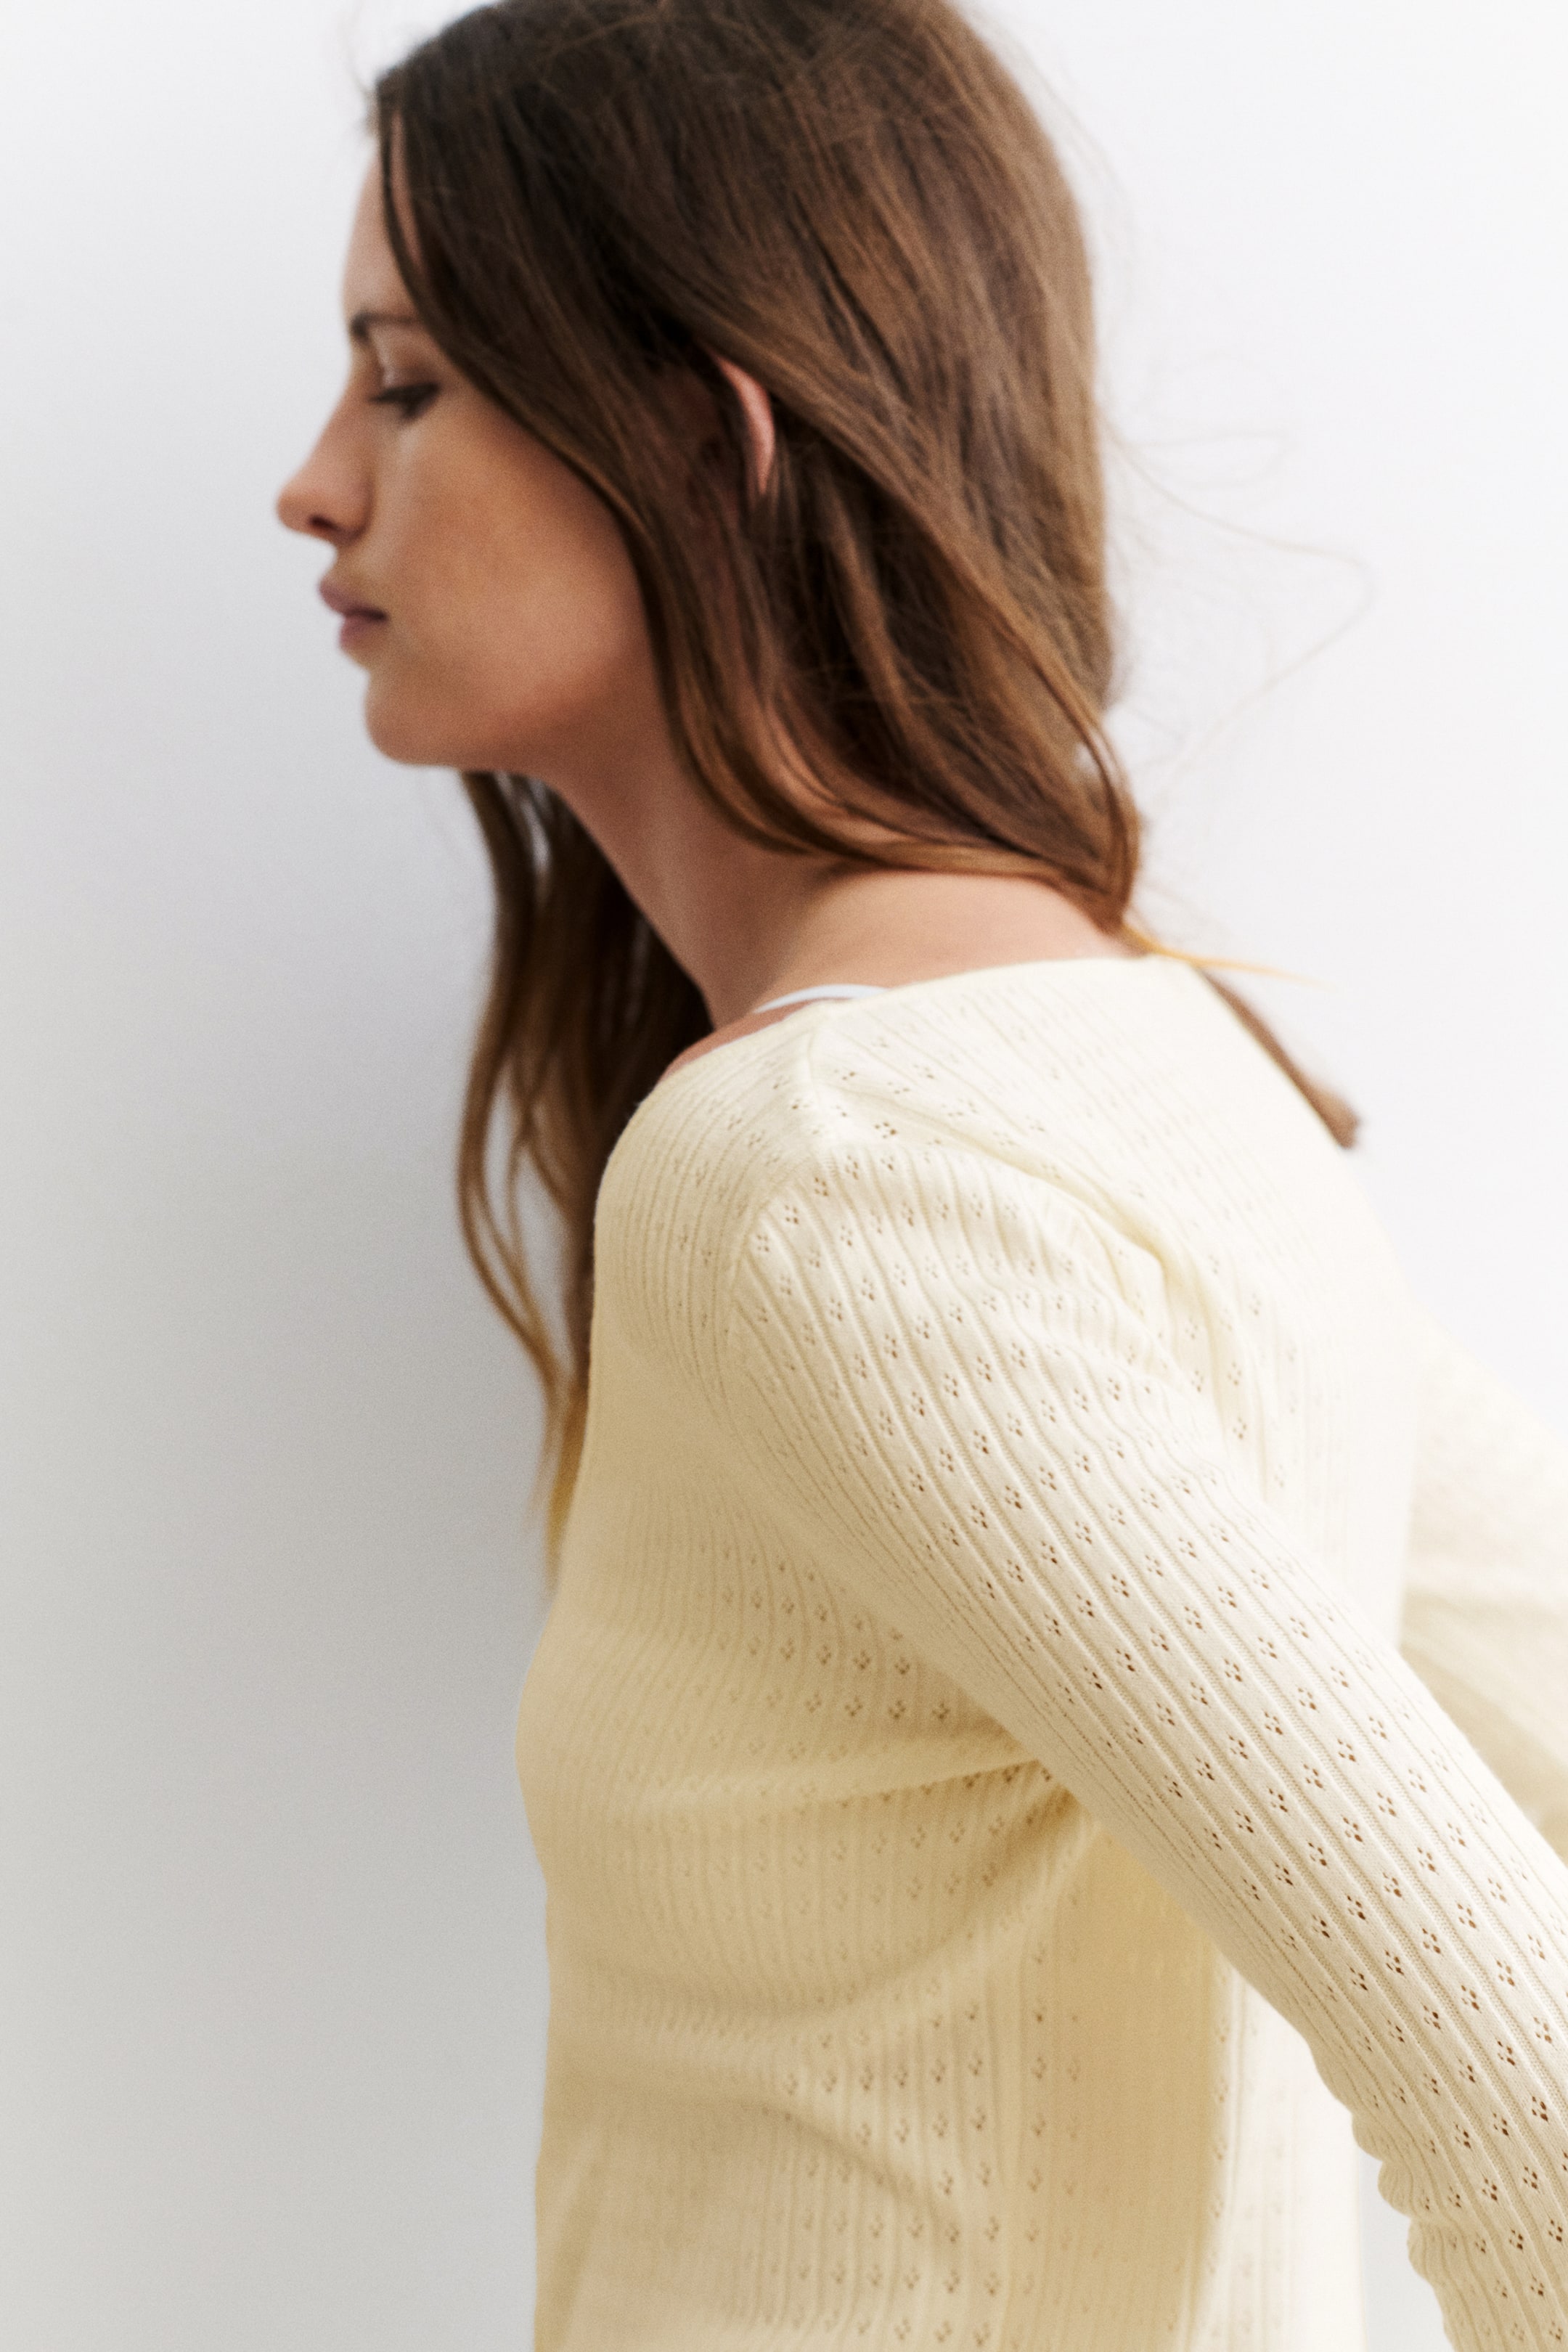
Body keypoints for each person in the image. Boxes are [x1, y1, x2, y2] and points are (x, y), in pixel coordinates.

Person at [276, 1, 1568, 2343]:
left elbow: (1534, 2112)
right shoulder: (1147, 1059)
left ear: (707, 440)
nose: (312, 485)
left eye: (407, 381)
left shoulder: (817, 1174)